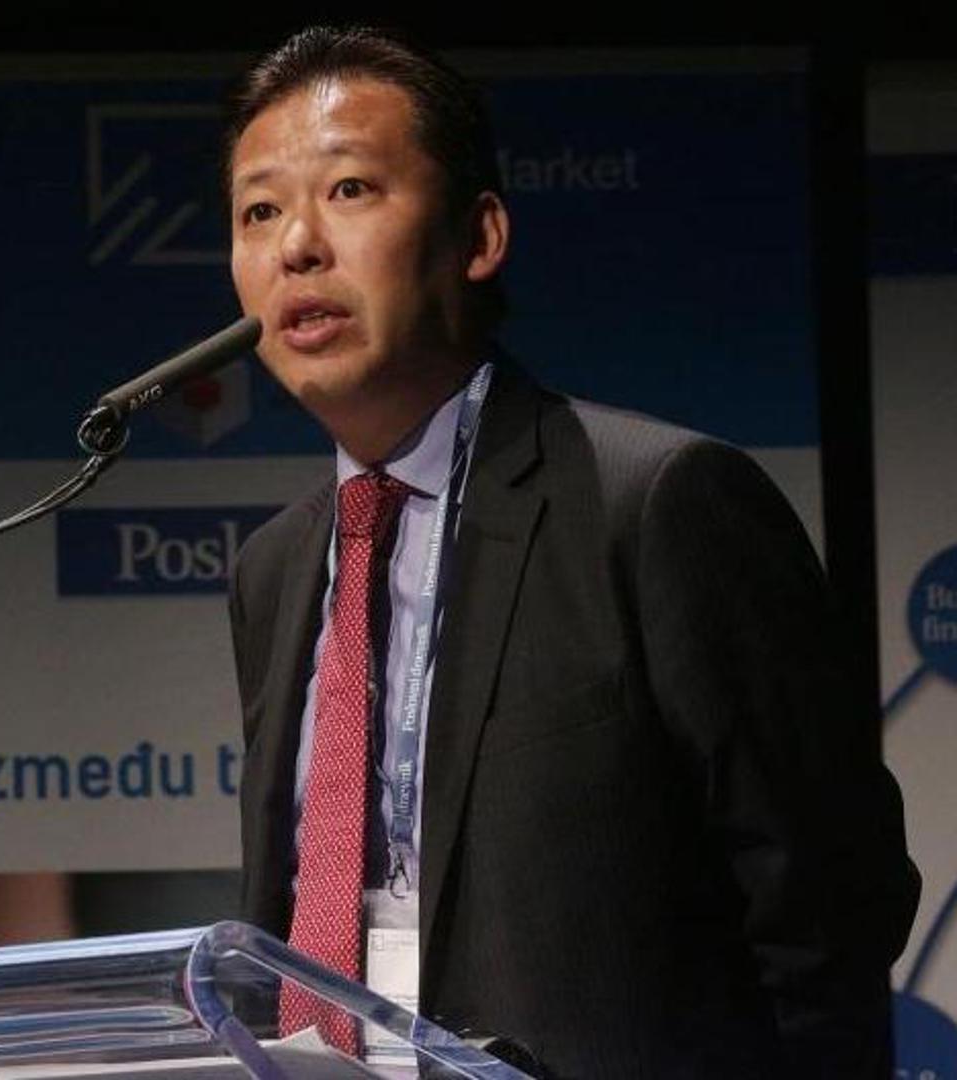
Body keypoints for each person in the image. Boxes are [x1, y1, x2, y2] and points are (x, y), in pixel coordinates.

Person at [224, 26, 919, 1078]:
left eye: (350, 190)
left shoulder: (659, 503)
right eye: (259, 211)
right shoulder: (274, 572)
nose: (297, 247)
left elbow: (830, 905)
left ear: (479, 235)